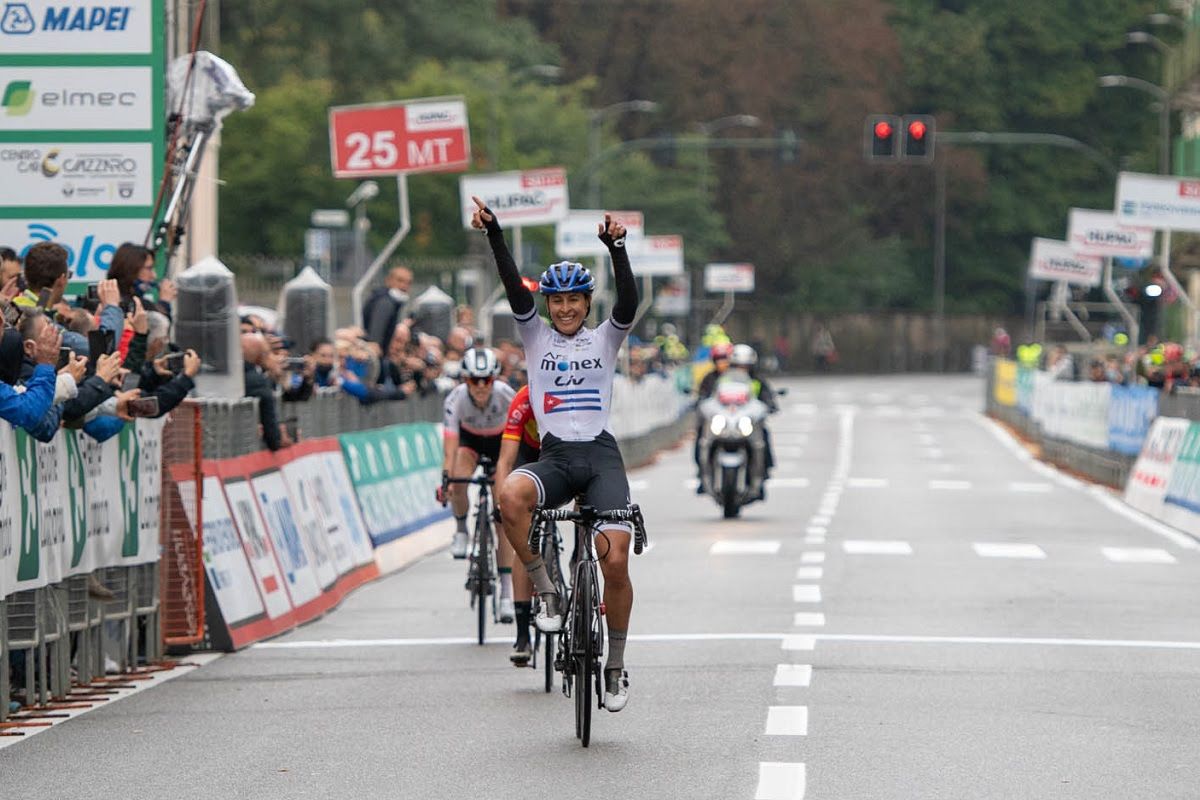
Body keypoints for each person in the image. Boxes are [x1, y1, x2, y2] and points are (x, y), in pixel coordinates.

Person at [474, 196, 637, 713]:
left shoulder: (607, 339)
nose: (565, 309)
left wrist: (616, 249)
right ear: (547, 306)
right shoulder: (534, 334)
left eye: (574, 301)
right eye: (557, 301)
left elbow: (630, 302)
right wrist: (494, 233)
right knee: (510, 496)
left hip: (601, 456)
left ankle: (614, 667)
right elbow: (508, 282)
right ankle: (545, 588)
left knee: (614, 558)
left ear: (587, 304)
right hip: (557, 456)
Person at [437, 348, 516, 570]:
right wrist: (447, 479)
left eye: (486, 379)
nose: (481, 385)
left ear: (494, 379)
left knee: (502, 510)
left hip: (499, 442)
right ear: (465, 380)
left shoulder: (505, 393)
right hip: (469, 441)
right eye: (474, 380)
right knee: (458, 479)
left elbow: (519, 433)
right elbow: (450, 450)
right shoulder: (455, 398)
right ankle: (461, 529)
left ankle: (506, 592)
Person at [494, 382, 542, 666]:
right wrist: (503, 503)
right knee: (525, 541)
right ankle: (523, 634)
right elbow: (505, 461)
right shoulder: (524, 398)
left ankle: (577, 562)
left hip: (563, 452)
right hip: (528, 455)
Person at [362, 265, 413, 348]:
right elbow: (376, 332)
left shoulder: (391, 301)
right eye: (400, 280)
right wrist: (375, 344)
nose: (404, 286)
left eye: (408, 283)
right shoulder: (385, 302)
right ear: (388, 280)